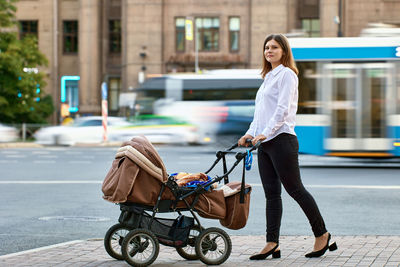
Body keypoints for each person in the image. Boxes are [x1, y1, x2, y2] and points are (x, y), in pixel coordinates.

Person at [238, 34, 337, 260]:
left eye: (274, 47)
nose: (269, 51)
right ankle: (272, 243)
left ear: (284, 51)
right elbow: (260, 115)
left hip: (282, 140)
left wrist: (266, 133)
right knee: (272, 195)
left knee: (296, 190)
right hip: (264, 143)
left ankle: (322, 234)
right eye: (266, 47)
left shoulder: (287, 75)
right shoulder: (268, 78)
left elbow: (282, 110)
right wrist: (250, 134)